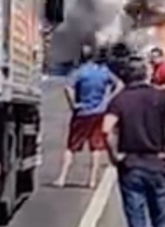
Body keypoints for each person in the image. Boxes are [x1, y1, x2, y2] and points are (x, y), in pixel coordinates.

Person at [103, 55, 165, 227]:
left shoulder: (119, 100)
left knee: (138, 222)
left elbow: (106, 130)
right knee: (160, 220)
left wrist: (115, 156)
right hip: (157, 164)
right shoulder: (161, 97)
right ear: (145, 74)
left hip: (131, 166)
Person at [53, 44, 123, 188]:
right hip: (99, 113)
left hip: (82, 113)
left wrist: (73, 104)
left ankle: (62, 178)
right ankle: (92, 181)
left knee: (71, 146)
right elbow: (120, 84)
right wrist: (109, 99)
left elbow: (68, 87)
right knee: (96, 147)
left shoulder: (80, 72)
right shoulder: (104, 72)